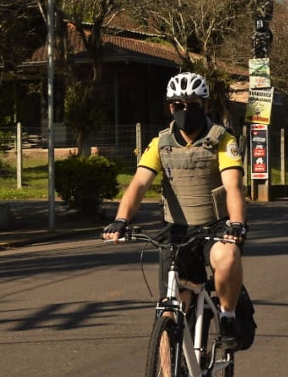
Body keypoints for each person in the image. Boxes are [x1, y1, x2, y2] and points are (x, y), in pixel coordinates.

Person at [101, 72, 247, 349]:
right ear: (170, 108)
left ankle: (228, 317)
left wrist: (236, 223)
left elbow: (233, 188)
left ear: (204, 105)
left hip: (215, 226)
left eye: (192, 104)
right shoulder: (160, 143)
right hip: (177, 230)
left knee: (226, 257)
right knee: (168, 312)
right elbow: (139, 185)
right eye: (178, 105)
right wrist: (121, 219)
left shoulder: (222, 140)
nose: (185, 111)